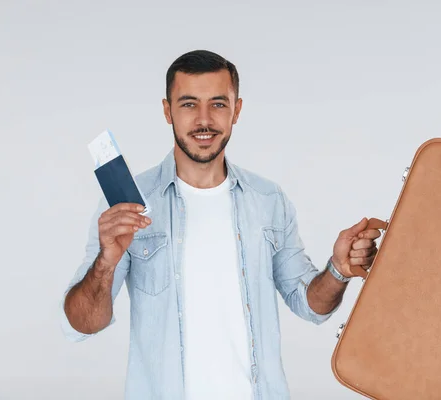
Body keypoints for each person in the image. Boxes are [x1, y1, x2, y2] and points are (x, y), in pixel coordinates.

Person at [61, 49, 384, 400]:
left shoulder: (268, 200)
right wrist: (106, 262)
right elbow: (82, 323)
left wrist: (337, 269)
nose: (204, 120)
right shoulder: (127, 205)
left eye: (217, 104)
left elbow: (310, 305)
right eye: (188, 104)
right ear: (167, 111)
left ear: (237, 110)